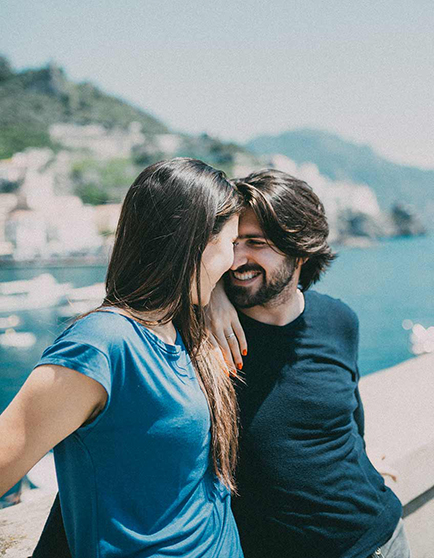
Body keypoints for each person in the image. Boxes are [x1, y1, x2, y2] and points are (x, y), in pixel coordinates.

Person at [34, 169, 409, 558]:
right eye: (232, 242)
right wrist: (210, 295)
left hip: (382, 534)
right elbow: (114, 451)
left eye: (255, 243)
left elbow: (347, 422)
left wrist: (362, 464)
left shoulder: (339, 320)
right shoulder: (193, 337)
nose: (235, 260)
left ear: (300, 250)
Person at [0, 158, 244, 558]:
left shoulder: (182, 331)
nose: (234, 262)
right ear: (192, 242)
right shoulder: (102, 343)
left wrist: (213, 294)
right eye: (229, 245)